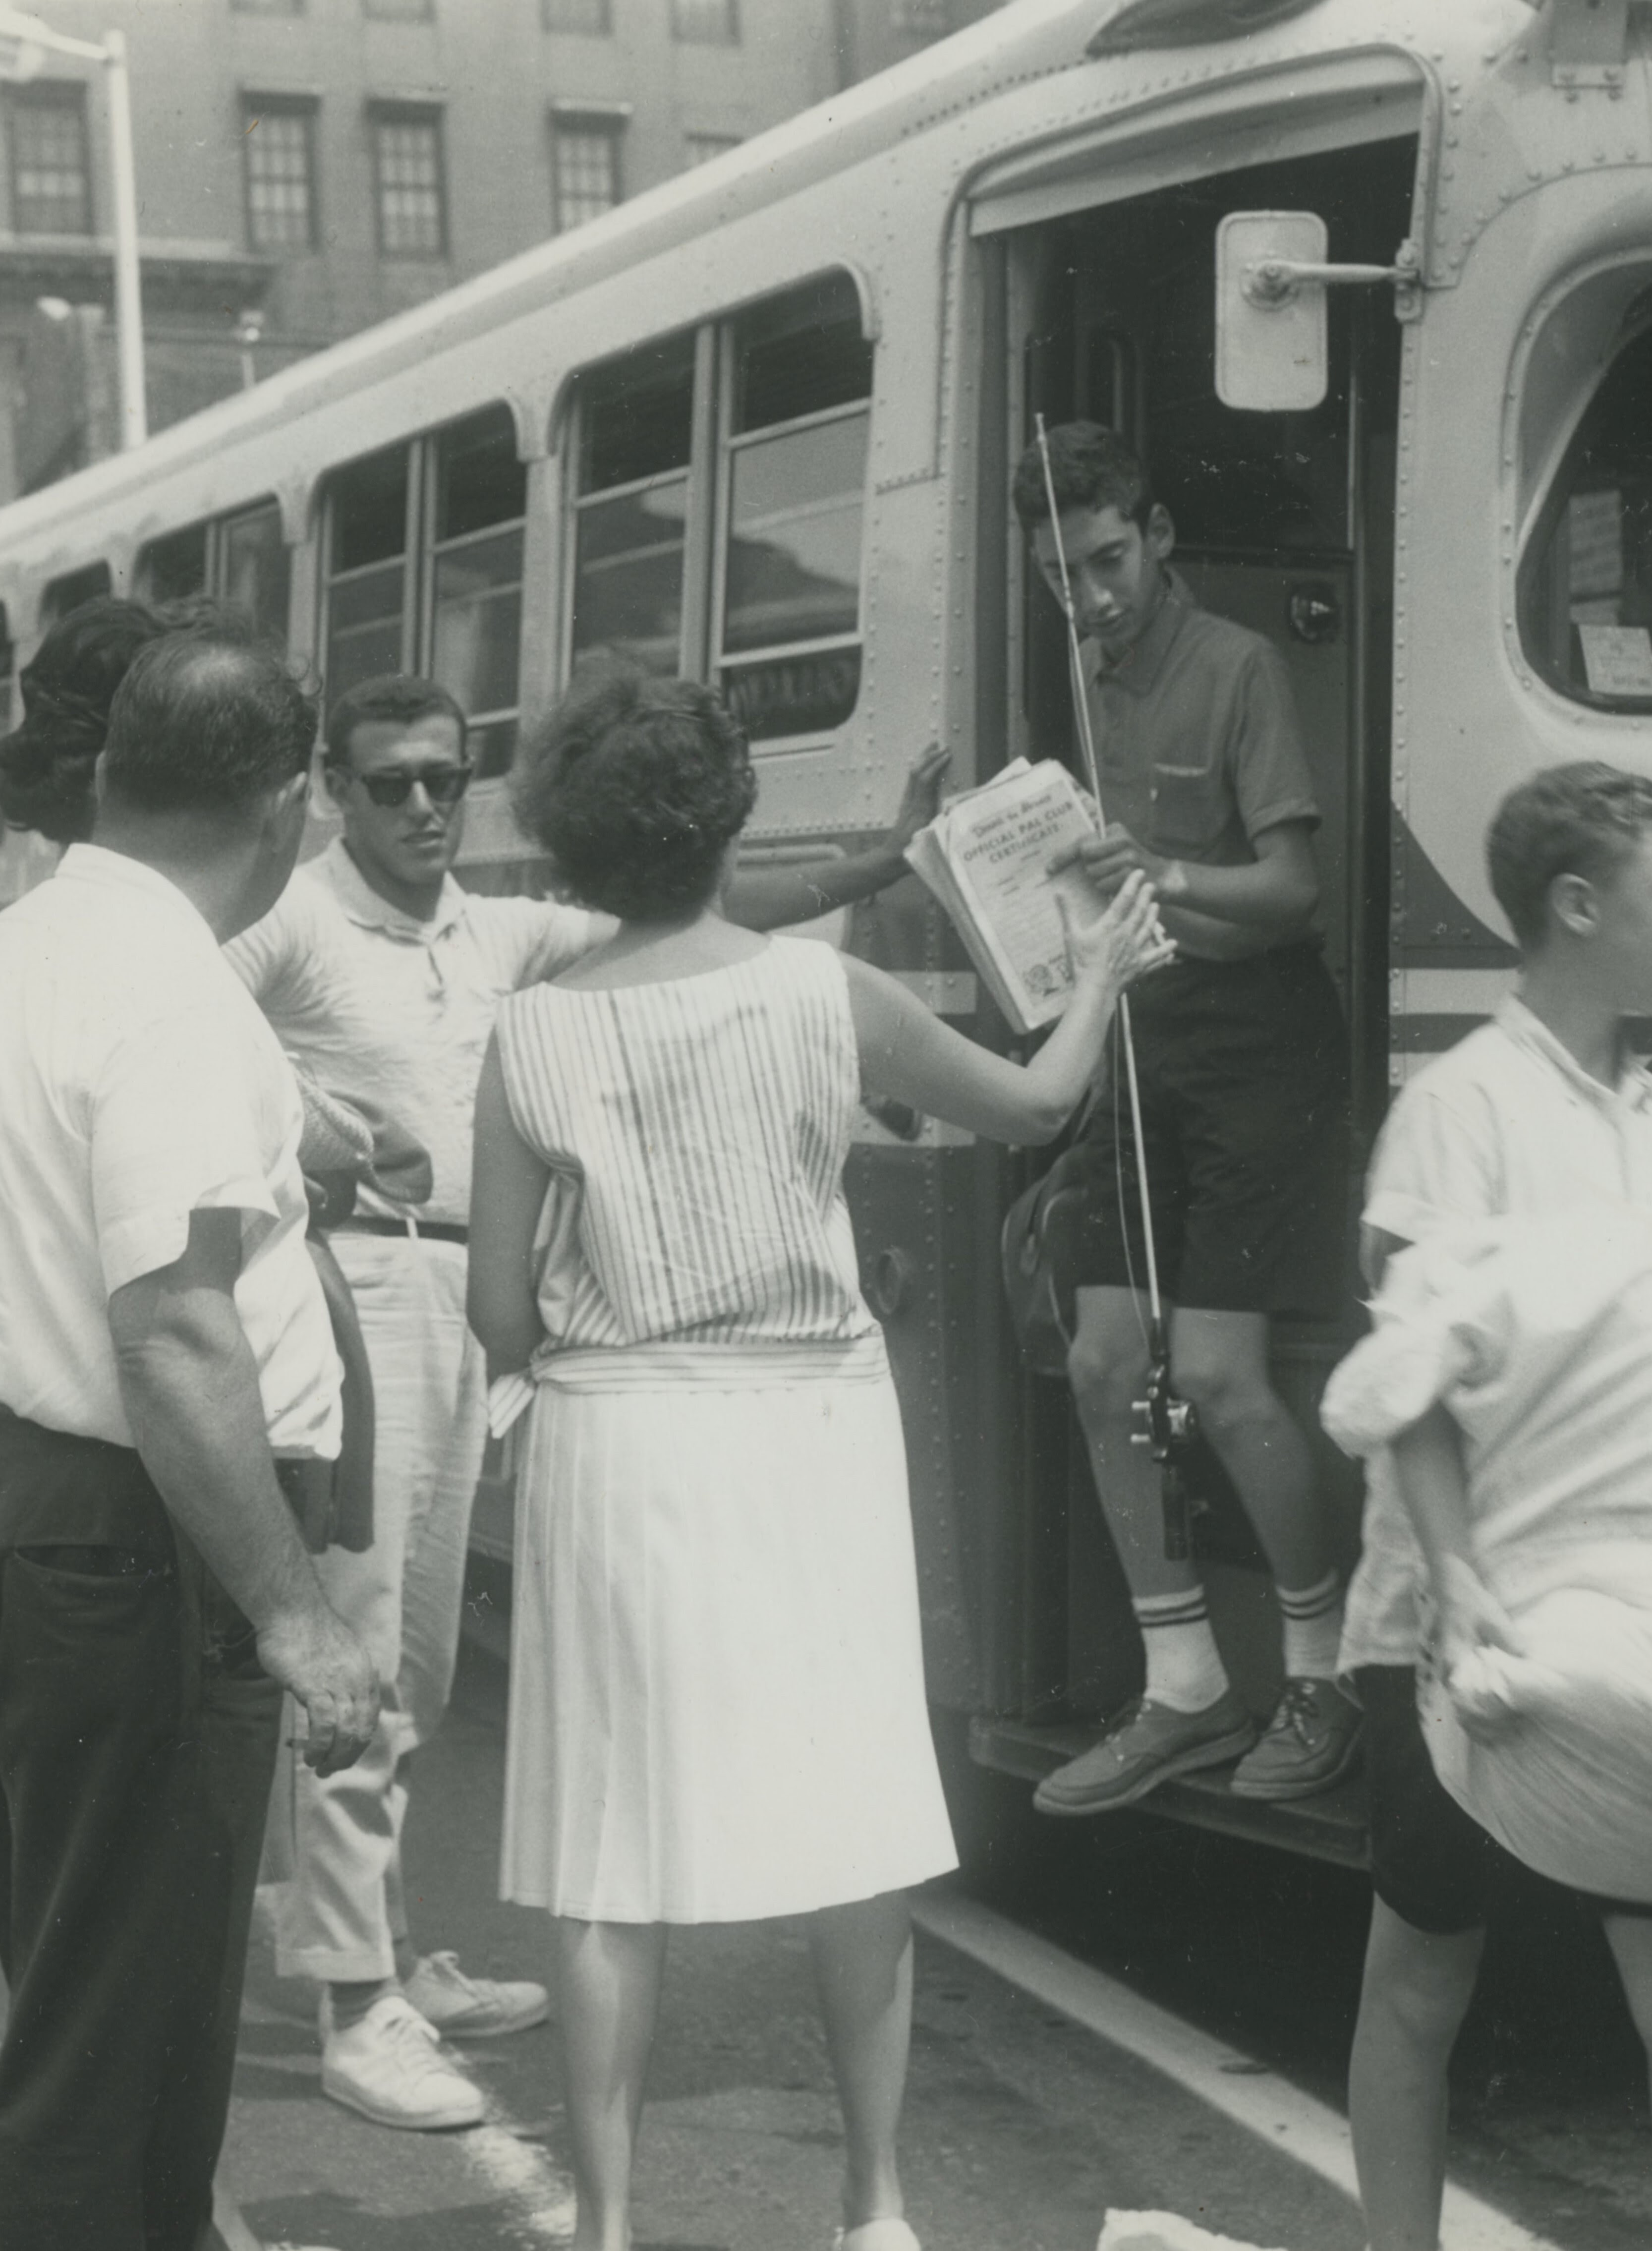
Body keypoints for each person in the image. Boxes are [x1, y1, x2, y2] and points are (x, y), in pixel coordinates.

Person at [466, 669, 1169, 2251]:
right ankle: (875, 2209)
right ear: (730, 820)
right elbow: (1035, 1105)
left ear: (570, 845)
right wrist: (1108, 966)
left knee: (605, 1847)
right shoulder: (819, 995)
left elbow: (497, 1318)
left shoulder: (526, 1035)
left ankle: (607, 2225)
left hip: (616, 1438)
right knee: (853, 1821)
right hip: (812, 1428)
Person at [226, 672, 947, 2130]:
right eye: (389, 784)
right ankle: (353, 2004)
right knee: (359, 1642)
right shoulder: (297, 916)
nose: (424, 805)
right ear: (334, 792)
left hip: (477, 1306)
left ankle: (388, 1953)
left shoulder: (506, 927)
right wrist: (306, 1130)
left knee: (419, 1660)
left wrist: (889, 857)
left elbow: (714, 894)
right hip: (362, 1290)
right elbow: (187, 1018)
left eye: (445, 777)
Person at [0, 623, 384, 2251]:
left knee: (106, 2006)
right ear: (294, 804)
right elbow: (174, 1338)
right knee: (112, 2060)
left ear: (109, 778)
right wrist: (301, 1621)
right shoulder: (169, 993)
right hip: (120, 1543)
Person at [1336, 763, 1652, 2251]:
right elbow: (1409, 1374)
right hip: (1457, 1629)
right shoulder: (1458, 1111)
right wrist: (1459, 1579)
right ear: (1576, 908)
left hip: (1647, 1628)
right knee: (1421, 1985)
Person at [1015, 421, 1362, 1813]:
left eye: (1107, 563)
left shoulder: (1239, 668)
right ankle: (1186, 1692)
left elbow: (1295, 895)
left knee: (1220, 1375)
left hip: (1259, 1034)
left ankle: (1326, 1676)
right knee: (1105, 1359)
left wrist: (1156, 868)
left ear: (1156, 537)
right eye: (1063, 577)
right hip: (1143, 1026)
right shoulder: (1086, 679)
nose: (1090, 598)